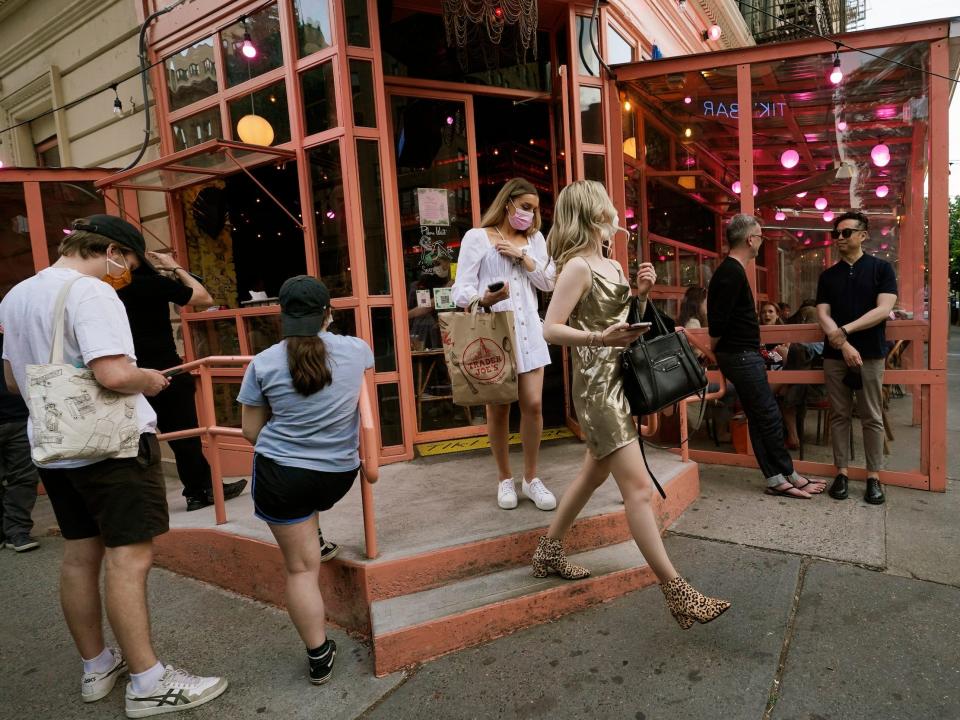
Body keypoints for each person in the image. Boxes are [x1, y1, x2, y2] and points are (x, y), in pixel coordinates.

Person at [0, 216, 227, 716]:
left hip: (56, 445)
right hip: (111, 447)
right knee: (130, 558)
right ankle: (149, 682)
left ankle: (97, 665)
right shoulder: (93, 293)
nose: (124, 272)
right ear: (110, 250)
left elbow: (15, 383)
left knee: (81, 555)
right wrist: (149, 378)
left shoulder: (16, 296)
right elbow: (113, 372)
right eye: (126, 262)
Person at [530, 180, 729, 628]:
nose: (615, 211)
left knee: (591, 473)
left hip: (621, 380)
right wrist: (599, 338)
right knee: (637, 490)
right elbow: (550, 329)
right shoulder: (578, 267)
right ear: (591, 213)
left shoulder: (613, 266)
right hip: (598, 388)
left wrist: (639, 296)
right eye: (606, 204)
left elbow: (624, 325)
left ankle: (548, 551)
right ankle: (677, 592)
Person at [238, 275, 374, 685]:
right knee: (307, 507)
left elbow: (250, 432)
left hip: (283, 478)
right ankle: (313, 534)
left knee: (300, 571)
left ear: (282, 317)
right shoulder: (358, 351)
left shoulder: (262, 363)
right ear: (327, 314)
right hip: (337, 475)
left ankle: (319, 657)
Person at [451, 178, 557, 511]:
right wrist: (483, 299)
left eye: (535, 209)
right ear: (508, 203)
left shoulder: (535, 239)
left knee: (534, 405)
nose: (530, 215)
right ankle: (504, 479)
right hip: (495, 334)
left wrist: (521, 257)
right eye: (525, 207)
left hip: (530, 332)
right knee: (498, 409)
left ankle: (531, 477)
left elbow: (548, 280)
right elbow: (460, 290)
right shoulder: (476, 238)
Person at [116, 242, 247, 512]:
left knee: (142, 439)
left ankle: (199, 488)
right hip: (165, 370)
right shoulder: (150, 282)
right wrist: (173, 266)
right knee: (184, 435)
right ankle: (202, 490)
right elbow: (203, 298)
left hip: (128, 371)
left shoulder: (108, 289)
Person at [707, 214, 825, 499]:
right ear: (750, 239)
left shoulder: (732, 270)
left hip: (741, 354)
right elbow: (717, 324)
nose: (761, 241)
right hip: (740, 355)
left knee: (761, 416)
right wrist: (716, 351)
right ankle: (788, 475)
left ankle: (777, 477)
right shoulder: (730, 272)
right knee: (769, 415)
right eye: (760, 236)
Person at [816, 211, 897, 505]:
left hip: (871, 353)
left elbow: (883, 309)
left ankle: (874, 477)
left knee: (872, 416)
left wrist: (845, 332)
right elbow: (822, 313)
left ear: (863, 235)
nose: (839, 238)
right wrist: (842, 344)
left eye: (845, 232)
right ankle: (842, 472)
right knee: (839, 415)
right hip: (835, 355)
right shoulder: (828, 275)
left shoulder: (881, 269)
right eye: (835, 233)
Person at [0, 328, 40, 552]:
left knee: (24, 478)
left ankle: (18, 531)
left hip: (18, 414)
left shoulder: (11, 323)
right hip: (16, 413)